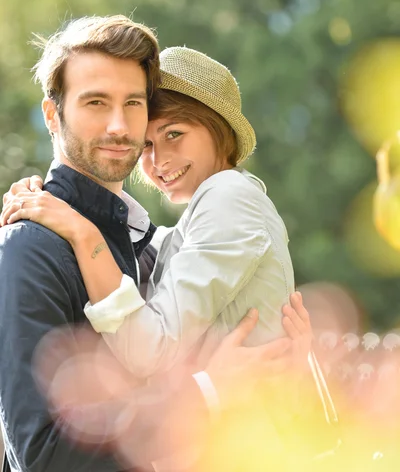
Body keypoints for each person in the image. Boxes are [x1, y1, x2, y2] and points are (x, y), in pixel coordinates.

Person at [0, 16, 310, 472]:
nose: (119, 127)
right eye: (95, 102)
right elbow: (43, 456)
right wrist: (208, 393)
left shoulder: (141, 243)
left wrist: (291, 362)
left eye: (133, 104)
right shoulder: (31, 247)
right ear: (53, 114)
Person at [2, 46, 298, 378]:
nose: (159, 162)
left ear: (219, 130)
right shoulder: (201, 217)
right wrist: (46, 197)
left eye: (174, 134)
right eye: (147, 145)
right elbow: (148, 243)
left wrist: (80, 231)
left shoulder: (228, 196)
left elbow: (149, 352)